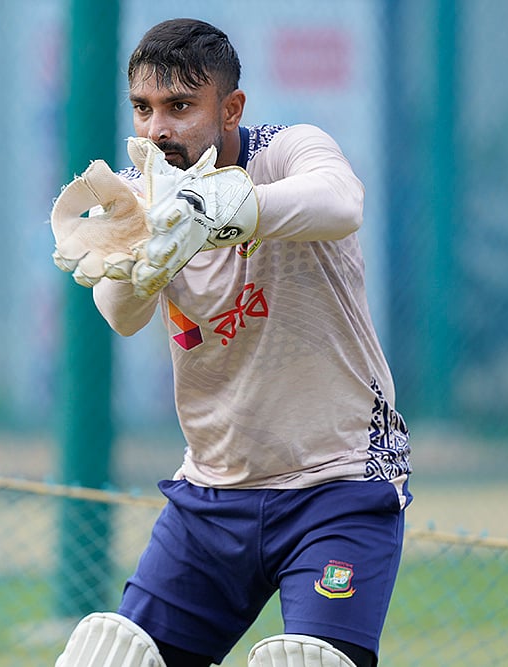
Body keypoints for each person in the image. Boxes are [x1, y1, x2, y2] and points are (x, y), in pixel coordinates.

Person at [50, 18, 411, 667]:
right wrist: (144, 252)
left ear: (230, 108)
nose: (158, 128)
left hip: (338, 482)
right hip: (212, 495)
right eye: (144, 108)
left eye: (181, 106)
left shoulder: (288, 150)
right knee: (108, 659)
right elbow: (119, 312)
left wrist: (215, 214)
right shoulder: (143, 199)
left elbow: (341, 201)